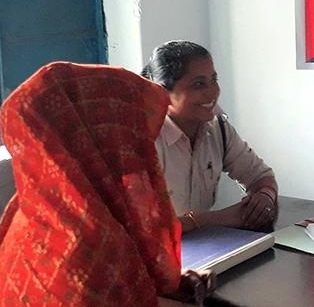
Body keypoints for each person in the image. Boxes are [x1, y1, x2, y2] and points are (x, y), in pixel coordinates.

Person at [0, 62, 213, 306]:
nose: (141, 151)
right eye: (132, 133)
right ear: (106, 141)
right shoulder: (93, 248)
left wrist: (177, 284)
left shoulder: (33, 211)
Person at [142, 40, 278, 234]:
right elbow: (147, 228)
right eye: (199, 84)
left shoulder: (218, 129)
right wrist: (220, 218)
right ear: (163, 93)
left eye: (214, 80)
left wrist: (264, 196)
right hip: (159, 255)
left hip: (203, 248)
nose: (213, 92)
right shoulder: (146, 140)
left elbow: (261, 176)